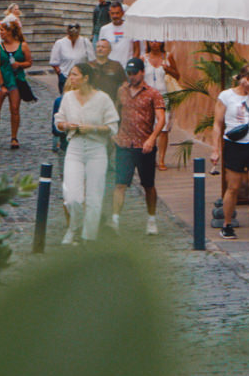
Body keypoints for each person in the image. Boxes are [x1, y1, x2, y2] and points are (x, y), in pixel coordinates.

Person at [56, 65, 120, 242]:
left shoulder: (102, 99)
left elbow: (113, 127)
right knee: (72, 197)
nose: (71, 78)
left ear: (86, 78)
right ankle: (74, 227)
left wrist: (93, 128)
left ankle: (88, 237)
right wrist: (67, 126)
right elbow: (59, 121)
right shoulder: (68, 98)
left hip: (96, 149)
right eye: (70, 75)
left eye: (75, 75)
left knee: (94, 197)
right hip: (75, 148)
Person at [211, 65, 249, 241]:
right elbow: (217, 124)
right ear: (244, 78)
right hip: (234, 144)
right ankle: (227, 224)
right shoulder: (226, 96)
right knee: (233, 187)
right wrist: (216, 149)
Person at [111, 57, 164, 235]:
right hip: (124, 142)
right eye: (129, 73)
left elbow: (161, 119)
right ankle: (115, 220)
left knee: (148, 184)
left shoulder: (153, 93)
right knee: (120, 184)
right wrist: (114, 132)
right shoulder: (122, 90)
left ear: (142, 72)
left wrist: (152, 138)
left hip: (144, 144)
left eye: (134, 73)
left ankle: (151, 219)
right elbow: (115, 110)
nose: (131, 77)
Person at [0, 14, 32, 149]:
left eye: (2, 30)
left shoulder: (22, 46)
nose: (0, 33)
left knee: (14, 109)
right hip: (2, 81)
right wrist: (1, 84)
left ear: (10, 32)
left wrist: (19, 64)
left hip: (16, 81)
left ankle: (14, 137)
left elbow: (29, 62)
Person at [143, 41, 181, 170]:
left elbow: (178, 76)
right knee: (148, 128)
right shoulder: (144, 58)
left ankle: (161, 159)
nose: (154, 43)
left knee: (163, 129)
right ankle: (150, 157)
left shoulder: (168, 57)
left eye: (157, 40)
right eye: (151, 40)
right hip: (147, 98)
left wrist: (168, 69)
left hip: (165, 96)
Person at [49, 21, 93, 92]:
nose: (74, 38)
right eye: (71, 35)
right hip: (65, 76)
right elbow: (54, 62)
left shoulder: (85, 42)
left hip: (81, 78)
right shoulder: (60, 43)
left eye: (76, 35)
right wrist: (60, 74)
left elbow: (92, 60)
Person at [97, 1, 134, 69]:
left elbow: (137, 50)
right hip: (109, 69)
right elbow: (100, 49)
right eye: (112, 13)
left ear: (122, 13)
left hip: (126, 68)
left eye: (117, 13)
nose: (115, 16)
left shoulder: (131, 28)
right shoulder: (104, 29)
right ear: (109, 13)